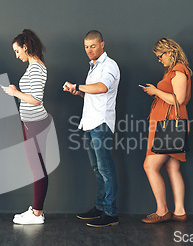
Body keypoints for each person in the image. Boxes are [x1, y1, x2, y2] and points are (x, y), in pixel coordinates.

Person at [63, 30, 120, 227]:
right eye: (86, 46)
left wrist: (78, 85)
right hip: (89, 123)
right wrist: (77, 91)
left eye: (93, 46)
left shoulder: (110, 65)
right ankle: (101, 207)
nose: (89, 50)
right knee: (97, 168)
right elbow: (93, 95)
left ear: (102, 45)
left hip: (101, 123)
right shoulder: (93, 66)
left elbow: (103, 87)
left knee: (105, 168)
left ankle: (111, 213)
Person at [1, 29, 50, 225]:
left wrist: (14, 93)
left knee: (37, 169)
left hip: (35, 124)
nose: (16, 55)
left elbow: (36, 100)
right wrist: (16, 91)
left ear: (26, 47)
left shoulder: (36, 68)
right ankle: (36, 210)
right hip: (31, 124)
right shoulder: (33, 67)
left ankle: (37, 214)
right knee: (36, 168)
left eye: (17, 51)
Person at [140, 38, 192, 224]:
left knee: (150, 166)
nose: (159, 59)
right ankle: (179, 211)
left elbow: (178, 99)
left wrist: (155, 91)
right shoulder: (173, 71)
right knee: (172, 167)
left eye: (160, 55)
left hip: (168, 126)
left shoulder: (178, 71)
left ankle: (162, 210)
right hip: (166, 125)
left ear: (170, 52)